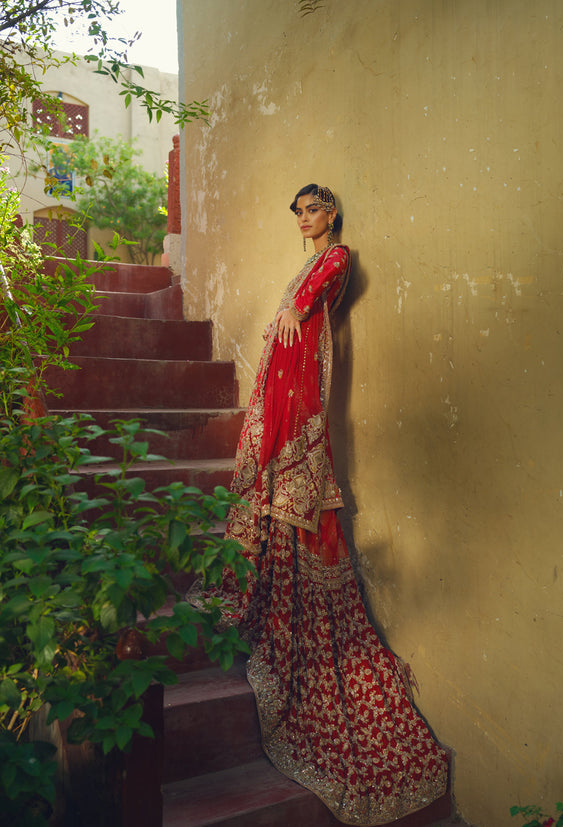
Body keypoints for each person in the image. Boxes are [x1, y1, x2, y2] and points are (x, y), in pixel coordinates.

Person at [188, 184, 449, 825]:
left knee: (304, 489)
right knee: (276, 490)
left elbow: (303, 310)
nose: (304, 219)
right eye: (298, 211)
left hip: (304, 388)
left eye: (313, 209)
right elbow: (289, 317)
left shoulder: (335, 260)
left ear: (331, 213)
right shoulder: (309, 262)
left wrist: (291, 326)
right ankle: (271, 595)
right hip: (286, 381)